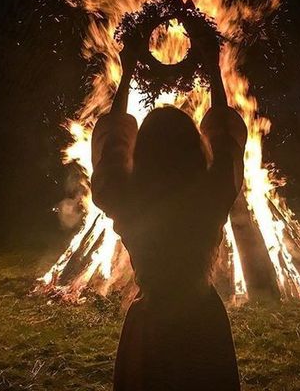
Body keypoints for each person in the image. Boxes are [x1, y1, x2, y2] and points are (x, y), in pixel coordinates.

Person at [91, 27, 247, 391]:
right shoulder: (209, 196)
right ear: (195, 150)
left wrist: (127, 68)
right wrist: (212, 64)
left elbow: (113, 145)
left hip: (150, 326)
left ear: (141, 153)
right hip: (202, 322)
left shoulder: (128, 199)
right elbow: (223, 134)